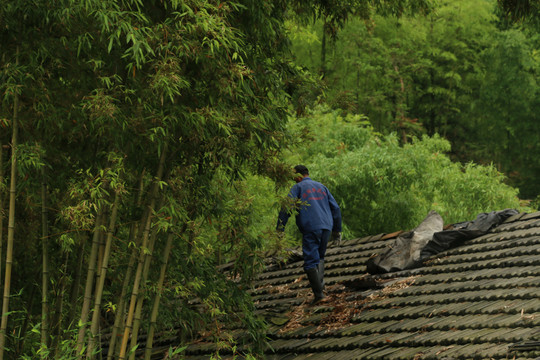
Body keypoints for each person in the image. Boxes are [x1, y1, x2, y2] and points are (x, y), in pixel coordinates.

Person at [276, 165, 342, 304]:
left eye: (294, 177)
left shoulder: (298, 188)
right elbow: (335, 209)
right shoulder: (322, 187)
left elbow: (286, 207)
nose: (294, 180)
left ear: (298, 176)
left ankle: (319, 295)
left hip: (311, 227)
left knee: (310, 262)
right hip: (327, 227)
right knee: (320, 256)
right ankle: (321, 288)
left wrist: (280, 229)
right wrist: (337, 231)